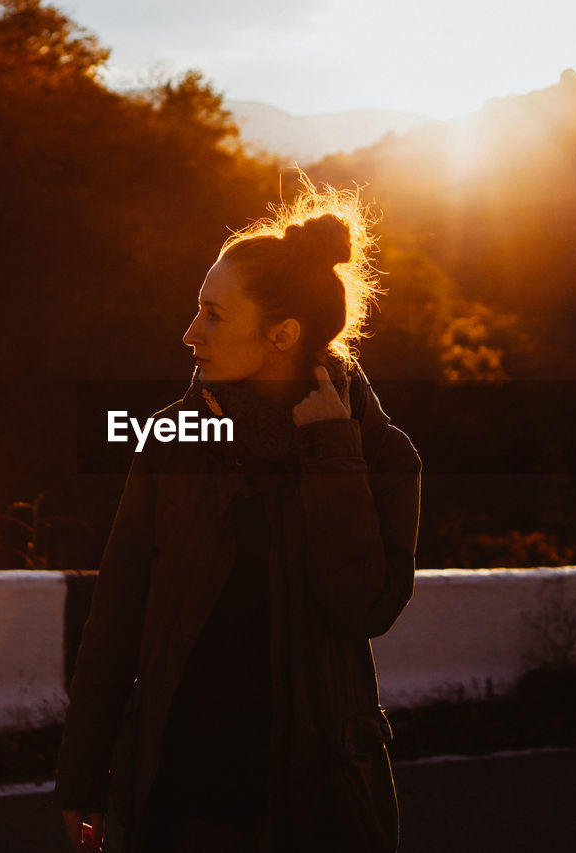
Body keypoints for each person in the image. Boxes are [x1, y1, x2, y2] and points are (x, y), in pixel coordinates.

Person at [55, 181, 422, 853]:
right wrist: (82, 782)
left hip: (317, 810)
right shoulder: (173, 438)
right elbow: (115, 617)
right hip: (178, 805)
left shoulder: (378, 451)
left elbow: (362, 607)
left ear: (281, 334)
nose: (189, 332)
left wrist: (330, 451)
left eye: (214, 314)